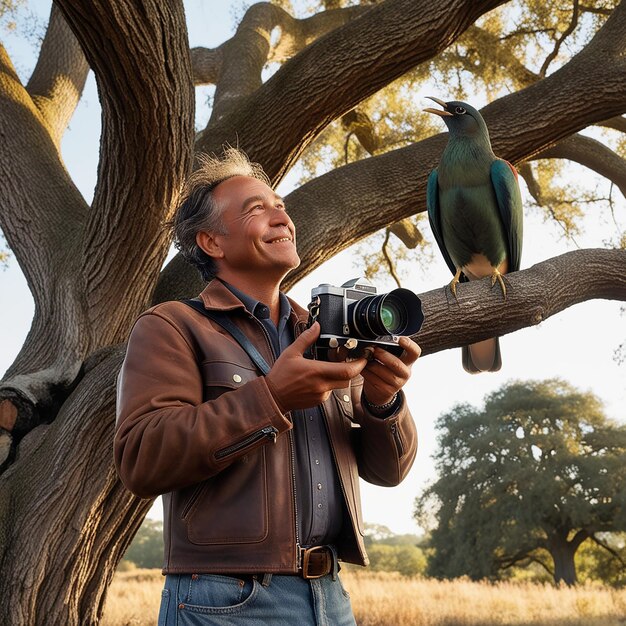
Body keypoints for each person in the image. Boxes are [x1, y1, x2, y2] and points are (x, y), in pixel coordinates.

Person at [114, 147, 420, 626]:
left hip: (331, 596)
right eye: (257, 209)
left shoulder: (323, 335)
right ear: (212, 242)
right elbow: (141, 456)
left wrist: (384, 403)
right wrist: (272, 398)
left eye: (282, 206)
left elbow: (386, 473)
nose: (282, 216)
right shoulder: (172, 325)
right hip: (223, 601)